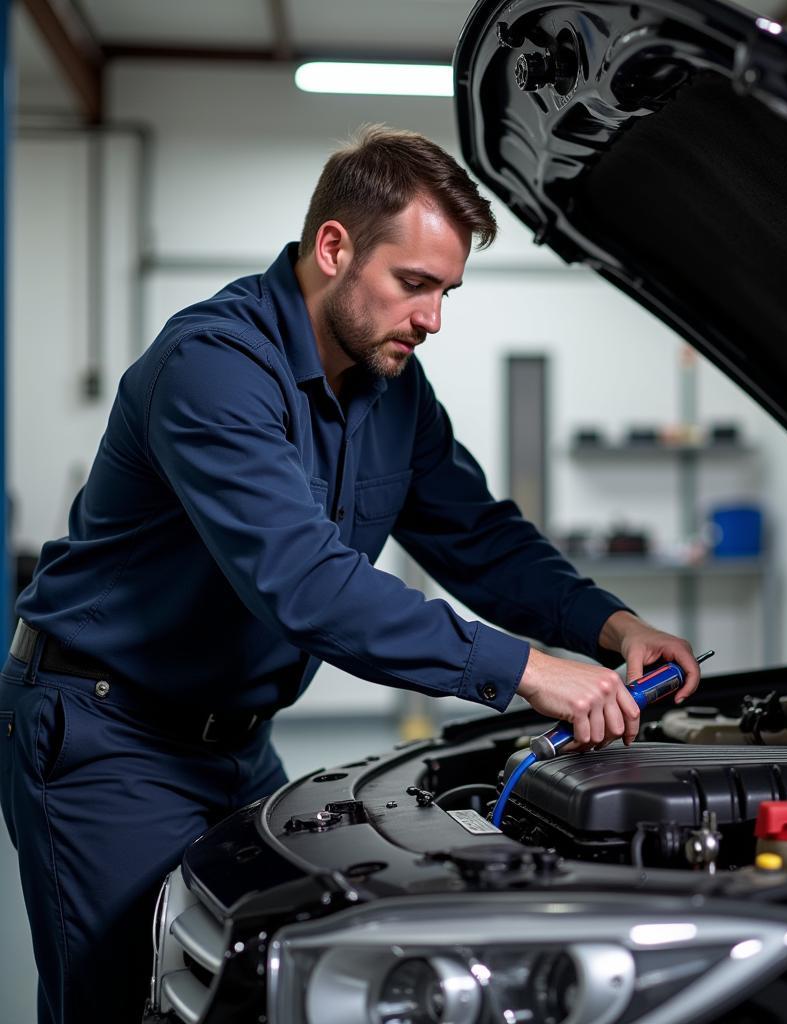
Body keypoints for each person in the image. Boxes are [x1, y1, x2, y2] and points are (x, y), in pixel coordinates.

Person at [0, 125, 701, 1023]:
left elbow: (478, 535)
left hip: (234, 743)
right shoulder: (213, 367)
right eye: (414, 285)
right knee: (126, 1001)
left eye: (447, 291)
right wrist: (531, 671)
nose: (433, 318)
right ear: (334, 248)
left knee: (246, 991)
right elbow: (307, 584)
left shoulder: (392, 387)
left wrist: (612, 627)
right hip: (107, 730)